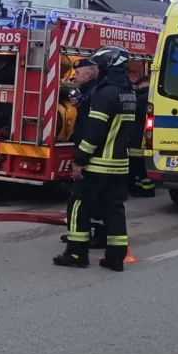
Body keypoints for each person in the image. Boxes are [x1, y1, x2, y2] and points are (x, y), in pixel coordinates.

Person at [53, 46, 136, 272]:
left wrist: (79, 160)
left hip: (98, 163)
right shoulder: (128, 93)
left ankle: (76, 253)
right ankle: (115, 257)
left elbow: (94, 132)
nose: (96, 71)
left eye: (99, 67)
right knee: (114, 209)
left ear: (107, 67)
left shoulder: (105, 94)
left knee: (79, 204)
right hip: (119, 163)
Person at [60, 58, 105, 247]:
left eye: (77, 74)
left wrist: (80, 159)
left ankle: (80, 241)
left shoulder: (95, 95)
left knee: (82, 199)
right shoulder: (93, 92)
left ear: (87, 74)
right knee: (96, 198)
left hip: (91, 157)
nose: (74, 76)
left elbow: (92, 130)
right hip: (98, 157)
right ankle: (95, 234)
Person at [128, 69, 156, 198]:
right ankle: (146, 189)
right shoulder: (151, 98)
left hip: (137, 138)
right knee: (142, 167)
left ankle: (140, 189)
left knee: (137, 167)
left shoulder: (139, 98)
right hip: (144, 138)